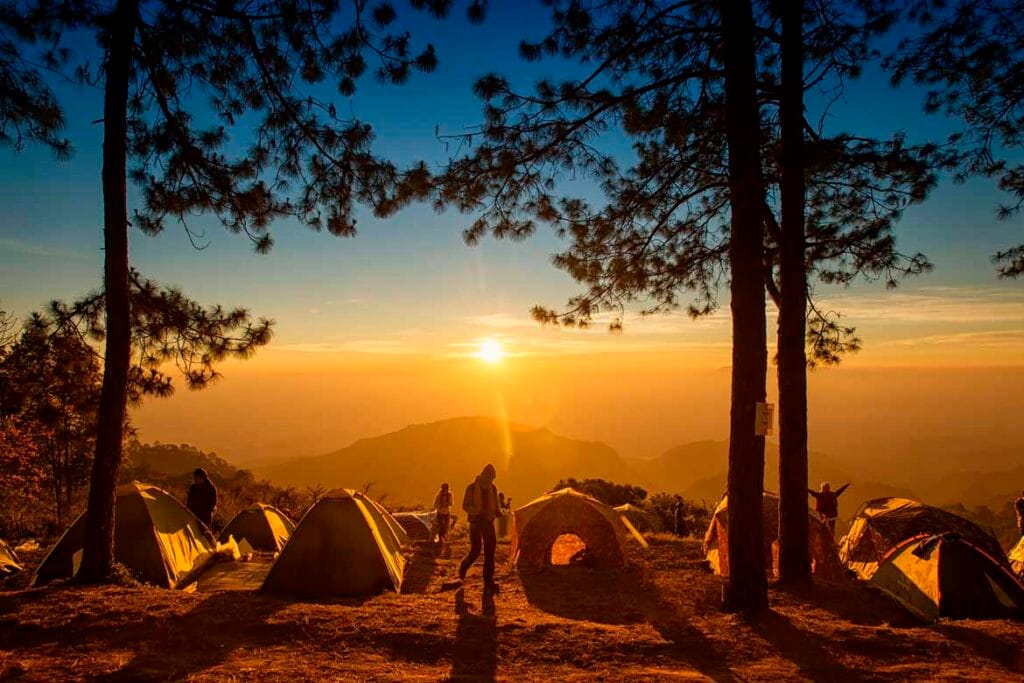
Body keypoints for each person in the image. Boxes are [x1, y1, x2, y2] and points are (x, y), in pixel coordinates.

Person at [458, 463, 500, 591]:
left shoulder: (493, 488)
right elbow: (465, 506)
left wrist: (498, 512)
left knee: (490, 549)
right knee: (476, 550)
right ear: (483, 476)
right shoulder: (471, 488)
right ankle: (464, 567)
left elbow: (496, 505)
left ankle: (488, 580)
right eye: (489, 478)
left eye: (492, 478)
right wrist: (478, 511)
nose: (490, 480)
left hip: (488, 521)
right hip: (476, 522)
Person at [186, 467, 218, 532]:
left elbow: (213, 503)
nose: (194, 480)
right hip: (193, 516)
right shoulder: (193, 488)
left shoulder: (211, 488)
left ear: (202, 478)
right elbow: (189, 501)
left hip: (205, 519)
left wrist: (206, 510)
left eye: (196, 478)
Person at [433, 483, 454, 548]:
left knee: (446, 527)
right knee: (441, 526)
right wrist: (440, 506)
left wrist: (446, 504)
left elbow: (451, 503)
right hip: (440, 513)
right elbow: (435, 505)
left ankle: (443, 538)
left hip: (447, 512)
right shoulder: (439, 496)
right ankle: (441, 539)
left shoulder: (450, 495)